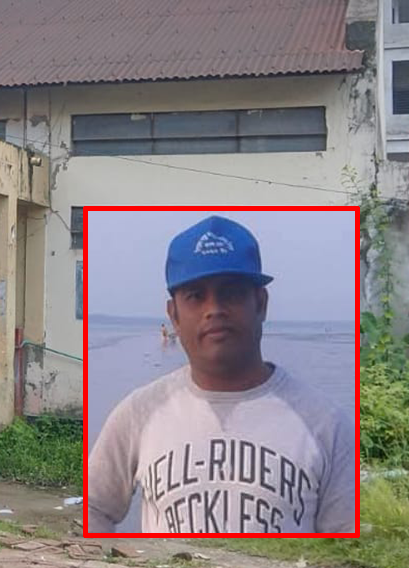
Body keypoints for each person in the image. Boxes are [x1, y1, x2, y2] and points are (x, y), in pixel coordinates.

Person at [87, 215, 355, 534]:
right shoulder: (139, 413)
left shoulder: (326, 424)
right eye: (195, 296)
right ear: (174, 315)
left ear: (261, 304)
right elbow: (94, 509)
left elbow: (343, 542)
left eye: (231, 293)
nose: (214, 309)